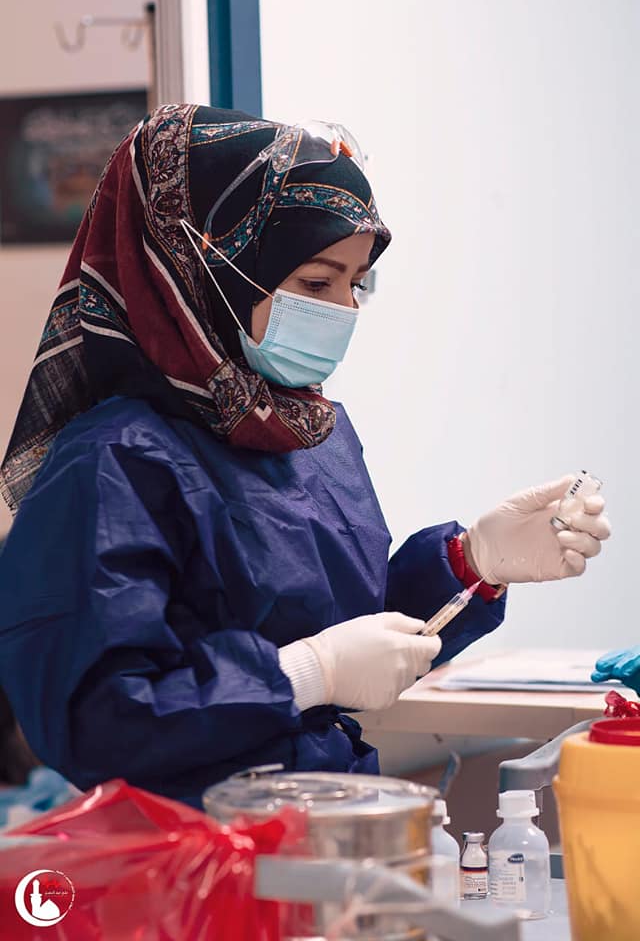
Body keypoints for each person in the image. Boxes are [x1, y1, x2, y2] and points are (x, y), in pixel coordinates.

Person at [0, 105, 610, 808]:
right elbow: (96, 721)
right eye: (318, 284)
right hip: (193, 844)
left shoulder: (310, 436)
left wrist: (471, 565)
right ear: (205, 272)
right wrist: (304, 675)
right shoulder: (112, 463)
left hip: (325, 813)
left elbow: (353, 638)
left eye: (357, 283)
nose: (344, 310)